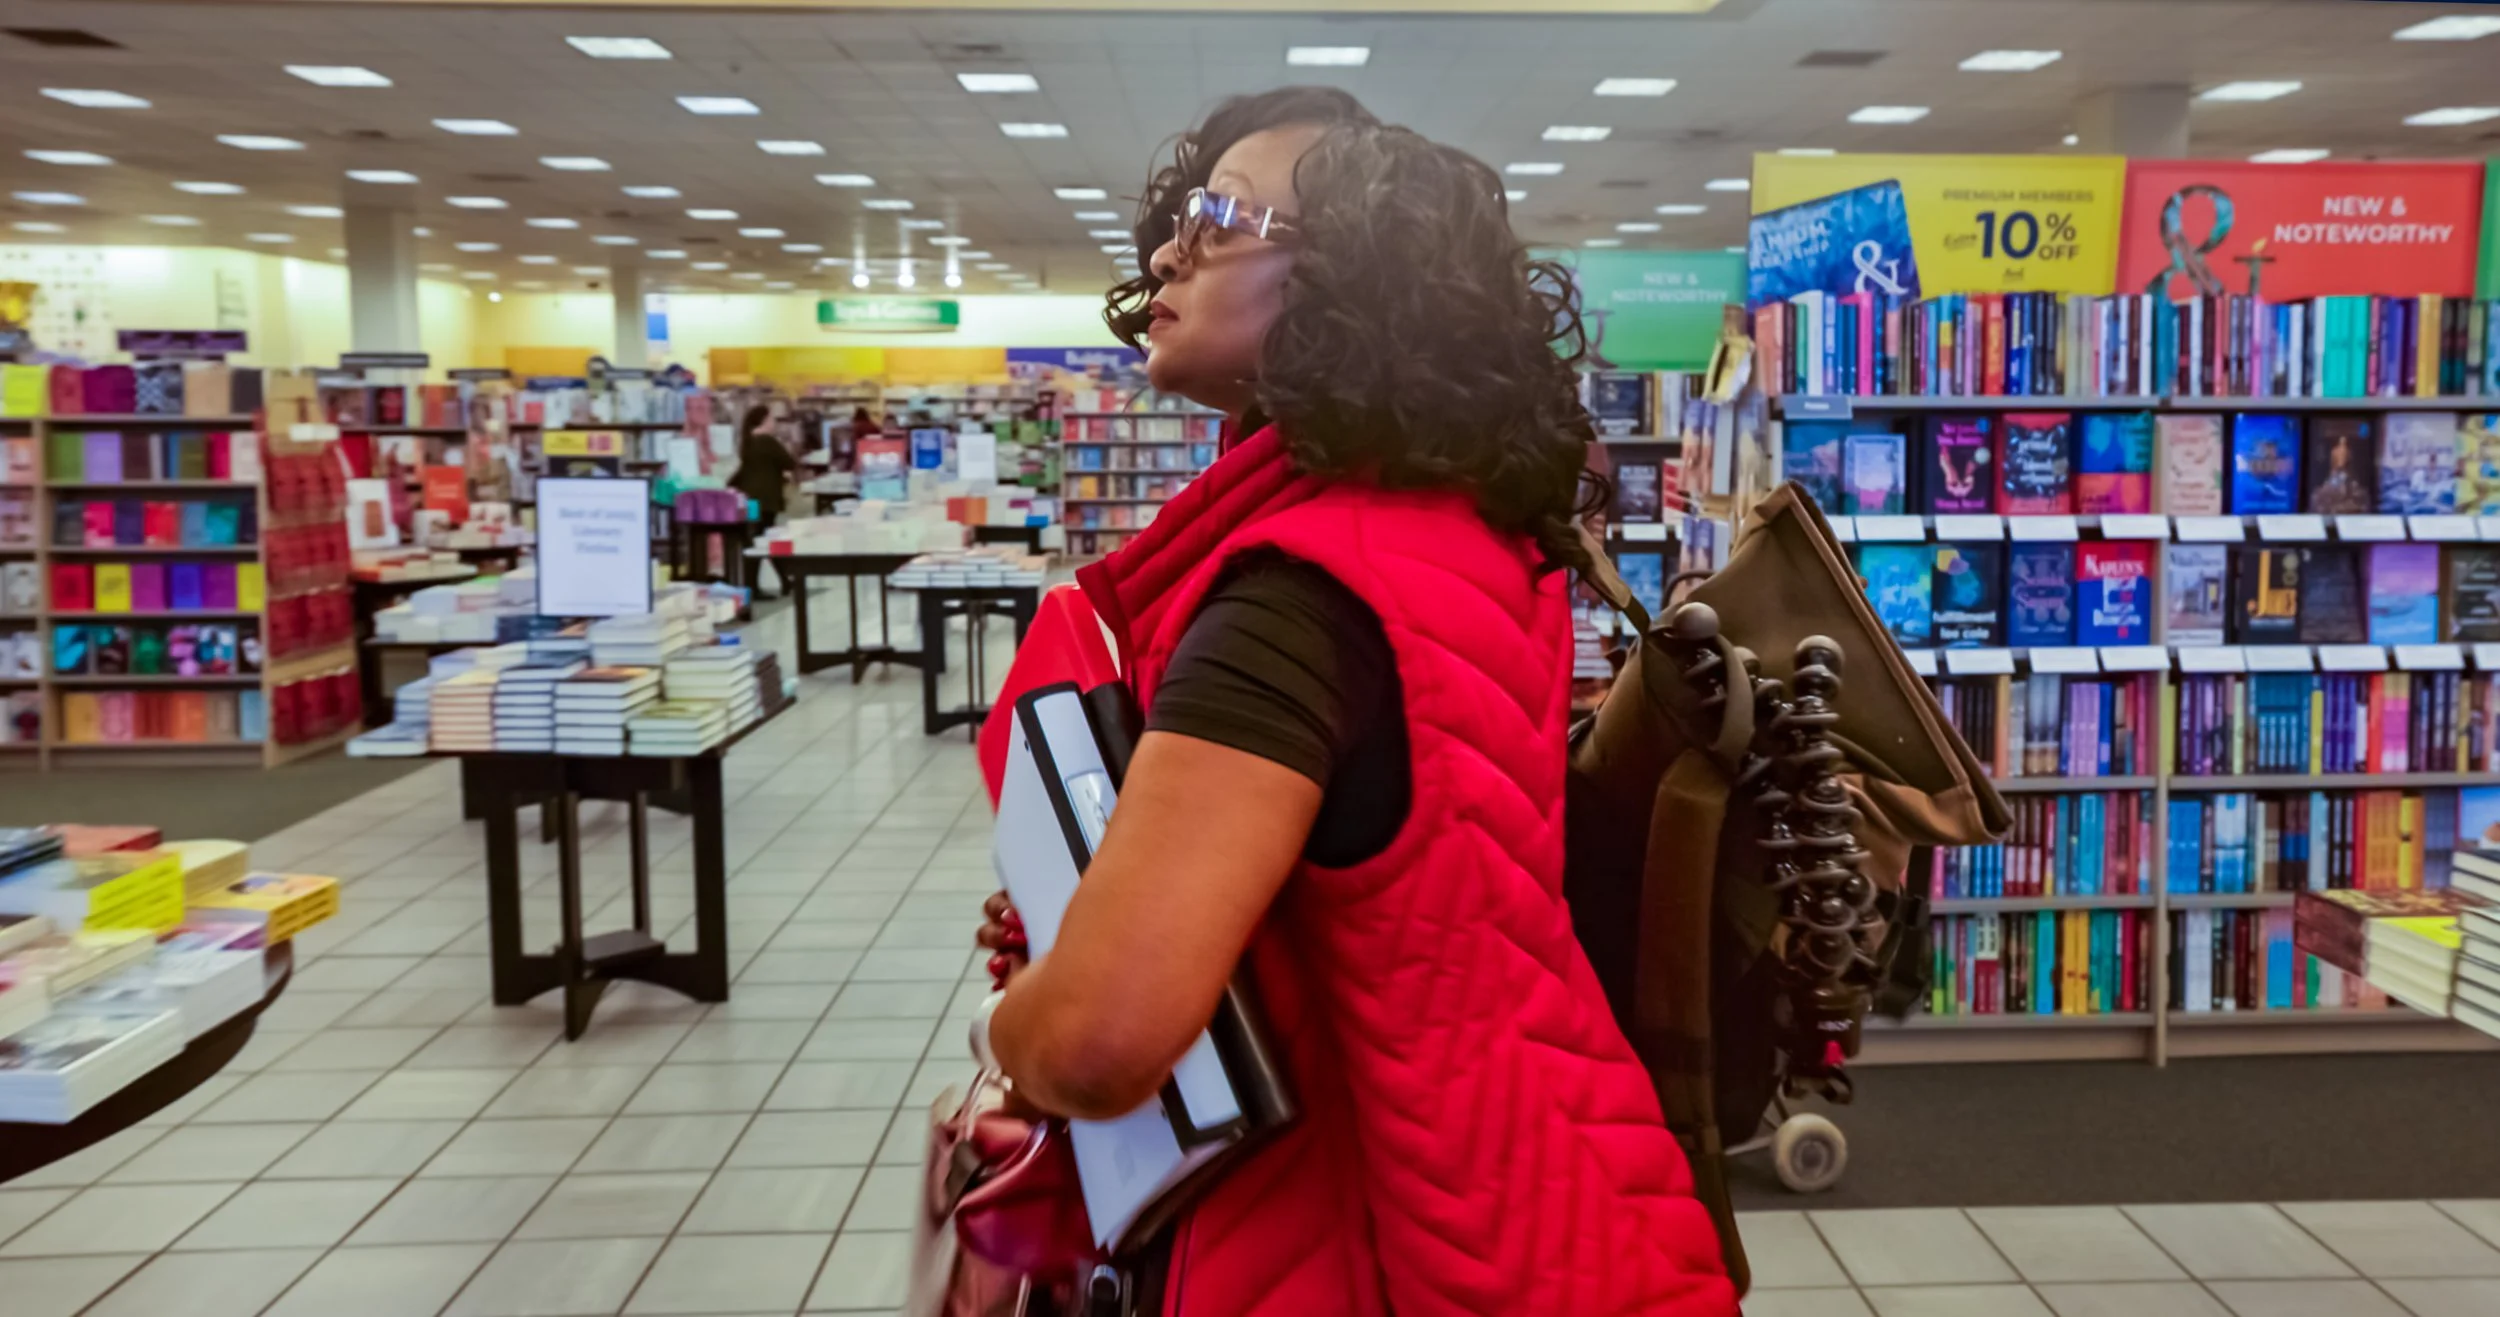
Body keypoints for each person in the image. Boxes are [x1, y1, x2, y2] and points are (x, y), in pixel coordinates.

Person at [973, 87, 1737, 1315]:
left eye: (1219, 218)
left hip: (1360, 1222)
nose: (1170, 248)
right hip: (1534, 1171)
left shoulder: (1292, 598)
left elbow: (1098, 1039)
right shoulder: (1461, 526)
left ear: (1349, 277)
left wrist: (1006, 1031)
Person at [727, 402, 795, 525]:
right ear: (765, 420)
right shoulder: (768, 441)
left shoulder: (747, 441)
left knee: (753, 528)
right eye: (772, 419)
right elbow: (789, 463)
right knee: (765, 532)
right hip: (767, 500)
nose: (774, 423)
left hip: (750, 498)